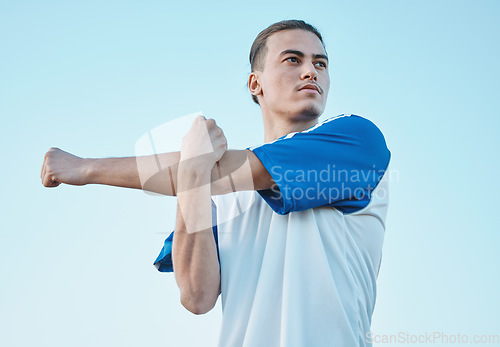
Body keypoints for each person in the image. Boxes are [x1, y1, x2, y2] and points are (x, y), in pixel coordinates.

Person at [41, 19, 391, 347]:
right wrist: (194, 175)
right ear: (256, 83)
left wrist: (84, 168)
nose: (310, 71)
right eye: (292, 59)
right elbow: (197, 296)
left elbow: (231, 170)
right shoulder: (213, 191)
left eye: (321, 63)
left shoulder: (356, 139)